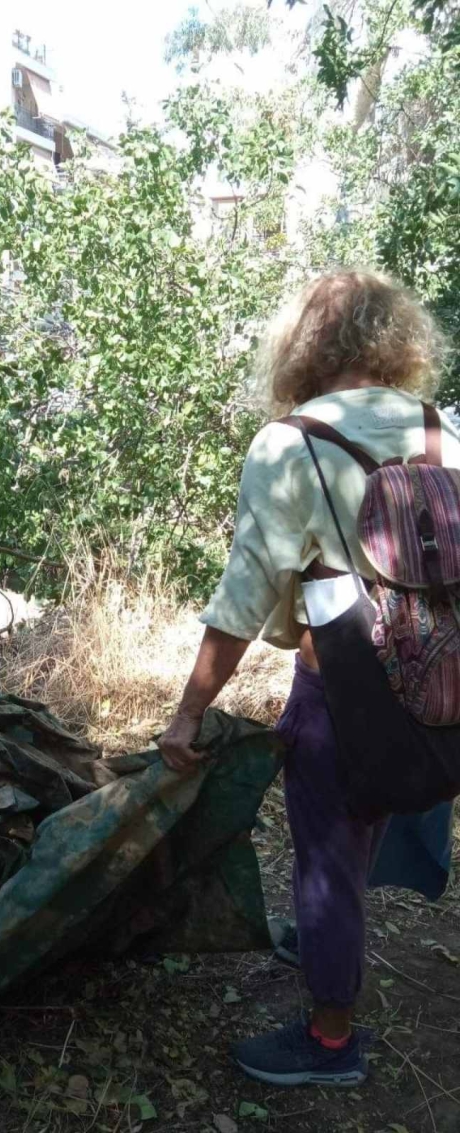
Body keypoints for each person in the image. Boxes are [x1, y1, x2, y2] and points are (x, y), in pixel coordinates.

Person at [159, 271, 460, 1087]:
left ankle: (331, 1039)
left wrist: (187, 713)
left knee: (326, 852)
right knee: (363, 828)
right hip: (440, 683)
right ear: (393, 336)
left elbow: (243, 597)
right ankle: (333, 936)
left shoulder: (289, 443)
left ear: (301, 345)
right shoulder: (444, 429)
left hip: (342, 686)